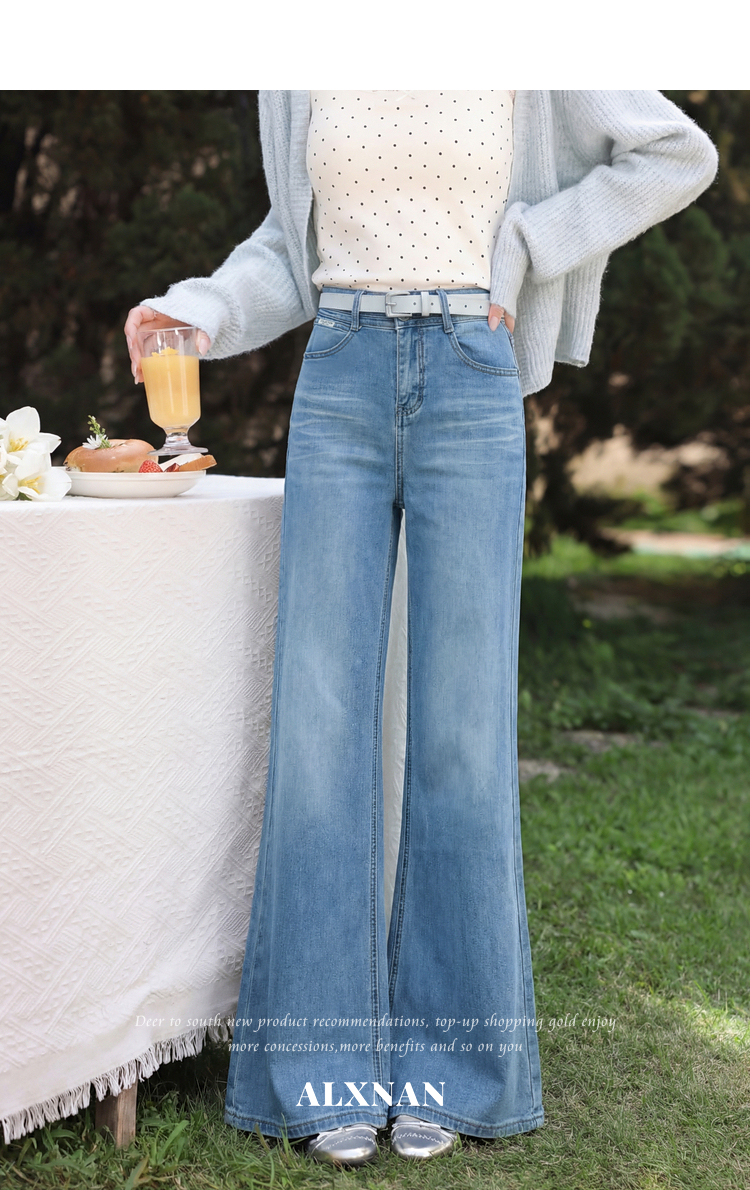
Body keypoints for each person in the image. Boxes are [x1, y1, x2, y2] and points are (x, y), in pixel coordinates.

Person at [124, 90, 718, 1166]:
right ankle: (320, 1069)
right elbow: (289, 249)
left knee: (461, 734)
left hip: (469, 374)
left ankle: (452, 1069)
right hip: (340, 375)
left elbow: (677, 152)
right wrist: (198, 310)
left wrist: (529, 243)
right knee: (318, 729)